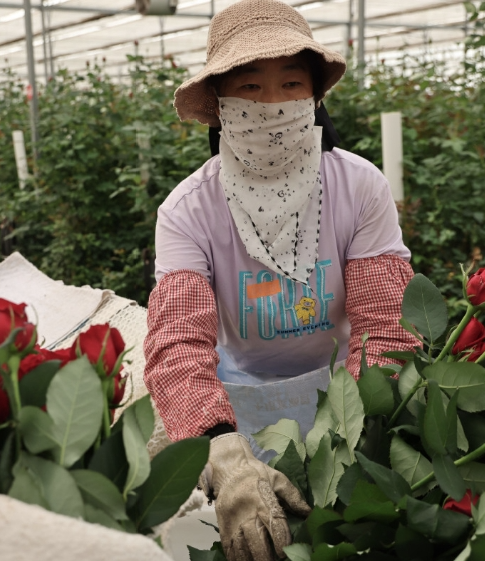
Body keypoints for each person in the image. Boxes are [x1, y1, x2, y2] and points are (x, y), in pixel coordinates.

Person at [143, 0, 417, 558]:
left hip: (345, 395)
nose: (271, 104)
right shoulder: (188, 211)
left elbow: (384, 325)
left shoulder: (359, 188)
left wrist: (360, 434)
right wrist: (219, 449)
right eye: (249, 87)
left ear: (314, 96)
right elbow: (178, 340)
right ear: (220, 105)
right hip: (234, 405)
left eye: (291, 83)